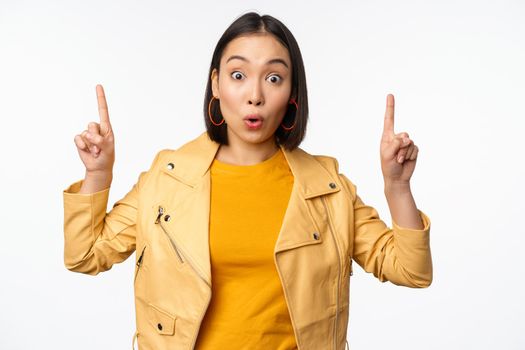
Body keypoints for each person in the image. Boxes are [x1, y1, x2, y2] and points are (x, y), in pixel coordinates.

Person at [63, 12, 432, 350]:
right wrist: (98, 174)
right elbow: (84, 255)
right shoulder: (167, 180)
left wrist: (397, 187)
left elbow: (410, 271)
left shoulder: (327, 188)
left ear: (291, 93)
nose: (254, 96)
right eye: (238, 75)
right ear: (217, 84)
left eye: (273, 78)